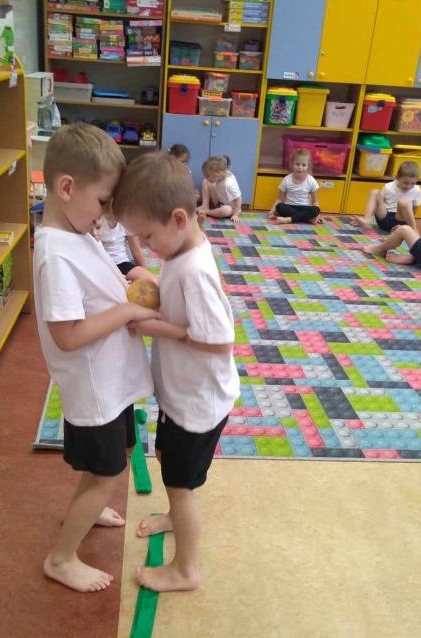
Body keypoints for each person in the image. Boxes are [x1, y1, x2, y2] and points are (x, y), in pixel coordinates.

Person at [33, 123, 160, 593]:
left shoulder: (78, 232)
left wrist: (132, 281)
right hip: (94, 388)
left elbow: (103, 279)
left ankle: (88, 506)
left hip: (112, 383)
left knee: (116, 457)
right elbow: (67, 336)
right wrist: (128, 310)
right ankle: (61, 558)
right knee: (106, 473)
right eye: (104, 201)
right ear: (67, 188)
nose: (108, 215)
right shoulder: (55, 254)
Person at [112, 151, 239, 593]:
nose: (146, 247)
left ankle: (186, 570)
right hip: (182, 397)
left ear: (179, 219)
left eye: (148, 237)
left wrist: (157, 327)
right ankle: (172, 514)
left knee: (181, 485)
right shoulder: (181, 252)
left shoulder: (195, 271)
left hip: (199, 404)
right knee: (169, 461)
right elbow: (183, 308)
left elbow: (219, 340)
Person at [350, 161, 421, 231]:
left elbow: (414, 210)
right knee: (375, 192)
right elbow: (376, 203)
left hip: (401, 222)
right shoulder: (389, 187)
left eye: (413, 183)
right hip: (385, 219)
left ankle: (413, 230)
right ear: (397, 177)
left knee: (403, 202)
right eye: (405, 183)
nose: (409, 186)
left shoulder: (416, 190)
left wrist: (407, 226)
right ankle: (366, 220)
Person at [267, 149, 323, 225]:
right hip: (290, 207)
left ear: (308, 166)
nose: (300, 167)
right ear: (292, 164)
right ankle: (308, 219)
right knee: (280, 207)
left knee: (316, 210)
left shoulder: (311, 180)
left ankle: (288, 220)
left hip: (304, 208)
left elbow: (315, 201)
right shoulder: (287, 179)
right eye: (297, 164)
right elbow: (280, 199)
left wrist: (317, 215)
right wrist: (272, 210)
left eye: (303, 165)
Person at [97, 213, 157, 283]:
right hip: (103, 265)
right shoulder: (96, 220)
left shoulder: (127, 221)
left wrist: (145, 275)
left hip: (122, 263)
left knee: (151, 281)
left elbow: (136, 251)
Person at [198, 155, 242, 223]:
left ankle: (207, 212)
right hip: (220, 201)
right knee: (205, 181)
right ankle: (205, 205)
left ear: (217, 174)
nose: (206, 177)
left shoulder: (229, 184)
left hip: (231, 208)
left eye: (208, 175)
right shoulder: (222, 175)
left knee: (226, 210)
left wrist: (236, 215)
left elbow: (238, 199)